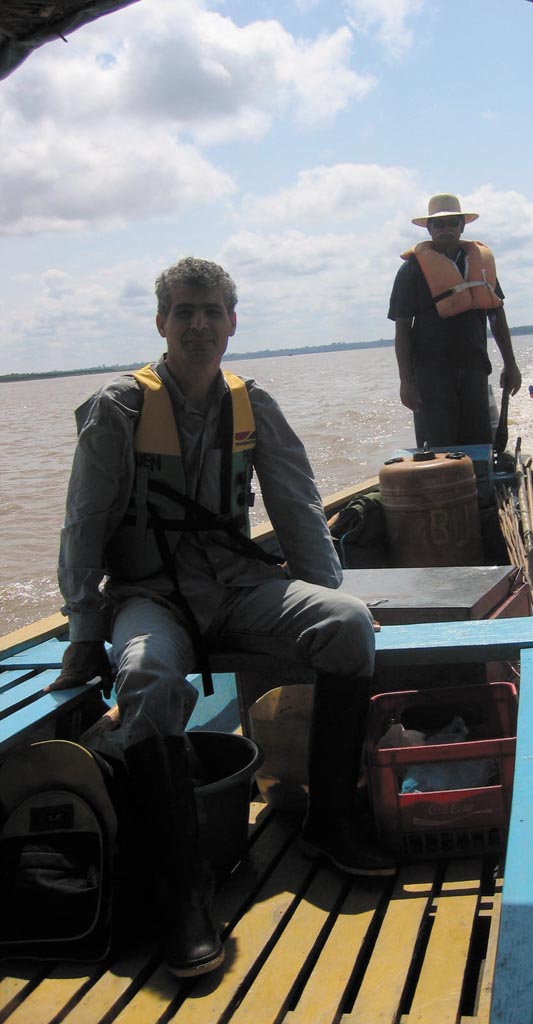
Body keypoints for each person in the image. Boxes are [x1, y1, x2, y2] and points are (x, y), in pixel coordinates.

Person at [48, 256, 393, 980]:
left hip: (238, 584)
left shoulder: (251, 403)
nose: (199, 324)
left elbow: (298, 508)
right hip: (151, 593)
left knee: (349, 624)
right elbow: (82, 525)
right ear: (162, 324)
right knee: (143, 673)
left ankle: (331, 821)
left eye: (212, 312)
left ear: (232, 324)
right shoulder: (119, 408)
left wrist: (328, 592)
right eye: (184, 311)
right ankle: (183, 895)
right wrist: (85, 630)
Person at [388, 193, 522, 448]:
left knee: (479, 444)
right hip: (430, 375)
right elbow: (402, 327)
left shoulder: (479, 264)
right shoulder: (412, 270)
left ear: (462, 226)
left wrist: (511, 363)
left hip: (474, 367)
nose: (446, 229)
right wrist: (405, 381)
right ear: (429, 229)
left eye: (452, 223)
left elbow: (496, 312)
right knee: (438, 449)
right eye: (438, 224)